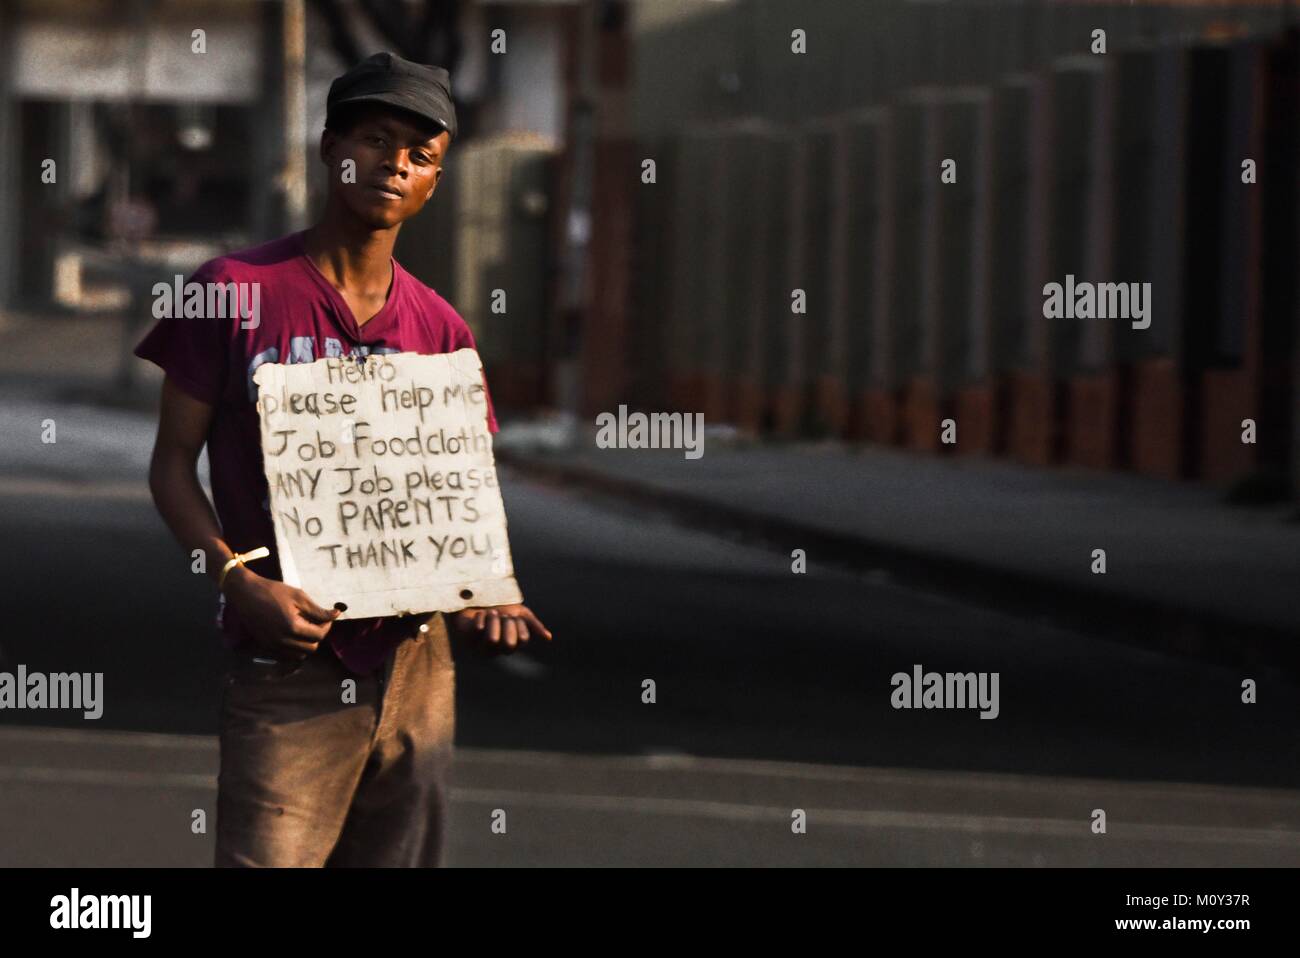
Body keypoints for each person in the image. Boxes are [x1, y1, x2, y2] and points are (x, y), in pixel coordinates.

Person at [135, 52, 550, 867]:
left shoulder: (442, 329)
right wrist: (234, 580)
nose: (396, 163)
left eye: (421, 154)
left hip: (415, 670)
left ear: (434, 181)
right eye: (377, 137)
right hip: (288, 661)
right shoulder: (230, 290)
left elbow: (451, 499)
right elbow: (171, 466)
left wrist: (485, 598)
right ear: (331, 147)